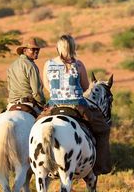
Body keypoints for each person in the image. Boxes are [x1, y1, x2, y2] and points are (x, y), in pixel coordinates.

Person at [43, 35, 112, 174]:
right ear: (73, 48)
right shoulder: (78, 64)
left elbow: (46, 86)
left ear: (58, 48)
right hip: (76, 105)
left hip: (53, 105)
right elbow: (86, 87)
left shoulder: (48, 64)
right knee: (103, 128)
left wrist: (59, 94)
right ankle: (99, 167)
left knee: (34, 125)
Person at [6, 37, 45, 114]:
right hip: (28, 103)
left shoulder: (11, 66)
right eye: (33, 49)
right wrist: (42, 103)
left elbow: (9, 88)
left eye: (37, 49)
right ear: (24, 50)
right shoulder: (31, 66)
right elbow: (36, 92)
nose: (36, 51)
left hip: (11, 104)